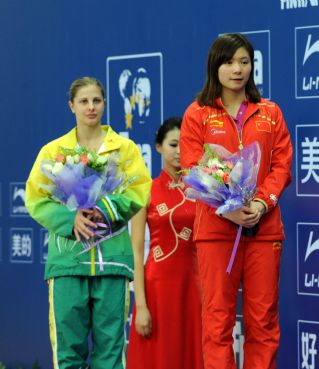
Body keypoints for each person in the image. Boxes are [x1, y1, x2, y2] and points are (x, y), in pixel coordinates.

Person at [180, 33, 293, 369]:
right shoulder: (197, 113)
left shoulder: (270, 112)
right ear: (215, 66)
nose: (237, 69)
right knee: (217, 323)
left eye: (245, 62)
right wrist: (227, 210)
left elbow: (281, 165)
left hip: (264, 228)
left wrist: (261, 204)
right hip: (216, 230)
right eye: (229, 62)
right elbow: (191, 168)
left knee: (264, 322)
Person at [25, 76, 151, 369]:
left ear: (105, 104)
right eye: (83, 101)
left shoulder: (125, 149)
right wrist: (71, 220)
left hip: (112, 263)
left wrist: (105, 208)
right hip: (67, 262)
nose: (91, 107)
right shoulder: (53, 152)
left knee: (110, 353)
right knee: (68, 353)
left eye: (96, 100)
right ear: (72, 106)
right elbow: (35, 199)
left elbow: (139, 190)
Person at [127, 117, 203, 369]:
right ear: (158, 147)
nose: (180, 151)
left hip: (194, 288)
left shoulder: (202, 191)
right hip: (156, 290)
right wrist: (141, 305)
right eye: (173, 144)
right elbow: (137, 252)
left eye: (185, 144)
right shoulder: (145, 190)